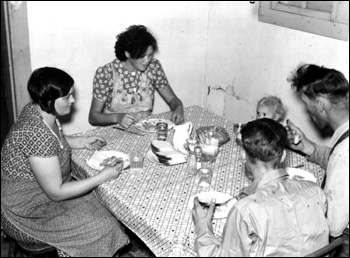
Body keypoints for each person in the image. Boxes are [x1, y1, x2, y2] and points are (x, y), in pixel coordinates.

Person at [1, 67, 129, 257]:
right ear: (49, 100)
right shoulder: (35, 133)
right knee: (103, 226)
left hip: (40, 196)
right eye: (67, 96)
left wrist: (80, 141)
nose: (73, 100)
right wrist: (103, 176)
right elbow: (57, 193)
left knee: (108, 206)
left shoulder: (38, 112)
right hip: (26, 212)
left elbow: (52, 144)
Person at [192, 118, 329, 257]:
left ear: (243, 155)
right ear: (283, 156)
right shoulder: (316, 191)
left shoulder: (245, 211)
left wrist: (203, 227)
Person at [286, 64, 349, 257]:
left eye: (307, 104)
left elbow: (332, 227)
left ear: (321, 105)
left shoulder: (343, 155)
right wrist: (307, 147)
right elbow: (335, 158)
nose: (307, 111)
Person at [88, 25, 184, 129]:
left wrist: (178, 108)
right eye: (142, 56)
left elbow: (172, 99)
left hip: (145, 127)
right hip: (115, 128)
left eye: (150, 55)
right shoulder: (106, 73)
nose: (147, 60)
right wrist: (117, 117)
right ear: (127, 53)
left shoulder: (154, 67)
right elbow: (93, 117)